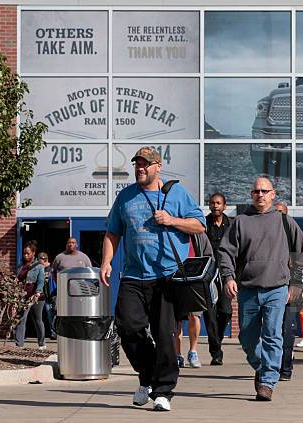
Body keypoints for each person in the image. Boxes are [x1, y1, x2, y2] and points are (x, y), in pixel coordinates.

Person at [99, 146, 205, 412]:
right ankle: (146, 375)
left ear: (158, 166)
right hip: (133, 275)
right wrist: (106, 262)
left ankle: (163, 391)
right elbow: (112, 233)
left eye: (145, 164)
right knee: (127, 328)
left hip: (166, 276)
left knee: (165, 335)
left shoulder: (177, 193)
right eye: (137, 164)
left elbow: (199, 225)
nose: (140, 168)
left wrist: (171, 220)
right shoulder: (125, 197)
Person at [220, 177, 303, 401]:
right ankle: (262, 366)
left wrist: (296, 284)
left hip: (277, 289)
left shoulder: (285, 222)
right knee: (247, 339)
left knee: (272, 335)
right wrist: (229, 277)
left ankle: (268, 382)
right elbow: (225, 252)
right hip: (248, 289)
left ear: (273, 194)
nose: (260, 194)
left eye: (264, 191)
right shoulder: (240, 221)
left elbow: (302, 254)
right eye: (256, 191)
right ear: (252, 194)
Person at [175, 232, 214, 368]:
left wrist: (204, 274)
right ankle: (177, 354)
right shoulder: (171, 229)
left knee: (195, 316)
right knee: (176, 321)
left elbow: (209, 255)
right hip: (175, 279)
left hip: (194, 279)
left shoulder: (198, 233)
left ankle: (193, 351)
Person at [203, 192, 232, 365]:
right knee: (210, 315)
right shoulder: (203, 224)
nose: (215, 206)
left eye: (218, 203)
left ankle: (217, 340)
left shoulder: (232, 224)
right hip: (207, 274)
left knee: (226, 311)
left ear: (224, 206)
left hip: (225, 273)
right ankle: (216, 353)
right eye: (213, 203)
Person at [274, 201, 299, 381]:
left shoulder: (293, 231)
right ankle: (270, 366)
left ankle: (286, 369)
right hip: (271, 288)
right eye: (276, 213)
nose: (279, 217)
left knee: (287, 330)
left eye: (282, 213)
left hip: (290, 289)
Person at [14, 240, 46, 350]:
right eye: (24, 253)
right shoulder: (20, 266)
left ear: (33, 253)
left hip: (37, 297)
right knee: (21, 319)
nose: (25, 255)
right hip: (24, 296)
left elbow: (41, 281)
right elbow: (17, 279)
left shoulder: (39, 266)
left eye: (28, 253)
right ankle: (19, 344)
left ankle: (41, 343)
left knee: (38, 320)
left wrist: (37, 293)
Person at [38, 252, 57, 340]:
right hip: (46, 297)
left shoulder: (53, 269)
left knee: (57, 315)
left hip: (54, 295)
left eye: (40, 260)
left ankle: (57, 332)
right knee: (50, 316)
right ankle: (53, 333)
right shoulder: (40, 270)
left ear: (45, 260)